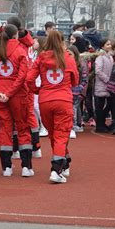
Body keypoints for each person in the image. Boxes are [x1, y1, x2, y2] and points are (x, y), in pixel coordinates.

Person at [27, 31, 78, 183]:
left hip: (45, 101)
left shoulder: (41, 58)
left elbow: (29, 79)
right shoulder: (68, 58)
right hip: (63, 100)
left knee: (54, 135)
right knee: (61, 135)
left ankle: (65, 161)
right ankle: (56, 170)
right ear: (63, 42)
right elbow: (75, 81)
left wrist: (38, 90)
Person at [0, 24, 33, 177]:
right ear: (16, 35)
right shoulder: (20, 51)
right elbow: (22, 76)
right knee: (23, 128)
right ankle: (26, 167)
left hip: (1, 94)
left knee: (5, 130)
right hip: (18, 94)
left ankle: (6, 167)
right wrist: (10, 92)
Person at [94, 39, 115, 133]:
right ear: (102, 46)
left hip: (109, 85)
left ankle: (102, 123)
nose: (109, 46)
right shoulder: (100, 57)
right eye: (107, 44)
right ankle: (100, 125)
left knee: (109, 105)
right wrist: (107, 79)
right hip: (102, 85)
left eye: (110, 44)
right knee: (100, 106)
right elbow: (98, 70)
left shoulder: (110, 57)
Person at [67, 45, 88, 137]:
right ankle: (71, 125)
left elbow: (85, 78)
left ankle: (74, 125)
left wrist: (79, 88)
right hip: (67, 90)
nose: (68, 55)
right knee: (69, 109)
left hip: (76, 90)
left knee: (74, 109)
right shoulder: (66, 62)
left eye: (70, 54)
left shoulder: (81, 64)